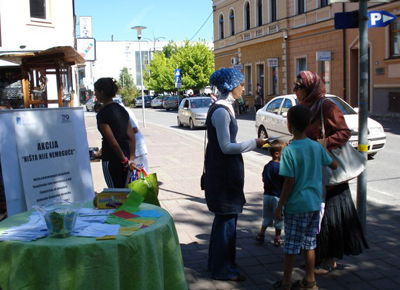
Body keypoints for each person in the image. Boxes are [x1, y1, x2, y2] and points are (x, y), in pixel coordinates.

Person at [294, 71, 369, 275]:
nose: (295, 90)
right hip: (311, 168)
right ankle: (314, 255)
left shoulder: (326, 105)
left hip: (329, 172)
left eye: (298, 86)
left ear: (309, 87)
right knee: (313, 214)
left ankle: (330, 258)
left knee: (331, 216)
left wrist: (325, 142)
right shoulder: (302, 107)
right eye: (295, 85)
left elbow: (344, 132)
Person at [204, 68, 267, 282]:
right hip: (223, 175)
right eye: (240, 84)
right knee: (226, 220)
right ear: (230, 86)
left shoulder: (225, 108)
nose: (243, 87)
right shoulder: (221, 110)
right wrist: (254, 144)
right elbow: (226, 147)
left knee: (225, 219)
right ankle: (224, 269)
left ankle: (219, 263)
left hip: (224, 172)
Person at [271, 105, 337, 290]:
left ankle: (285, 283)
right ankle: (310, 281)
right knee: (310, 244)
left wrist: (279, 205)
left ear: (289, 124)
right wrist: (323, 148)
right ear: (309, 124)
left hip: (296, 205)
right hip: (315, 204)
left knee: (291, 246)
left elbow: (289, 182)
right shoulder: (316, 147)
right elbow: (334, 165)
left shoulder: (289, 151)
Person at [95, 78, 139, 188]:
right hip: (127, 156)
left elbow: (112, 141)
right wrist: (131, 159)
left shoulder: (103, 114)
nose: (95, 94)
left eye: (95, 91)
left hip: (112, 158)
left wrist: (123, 160)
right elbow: (131, 136)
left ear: (102, 92)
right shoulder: (122, 110)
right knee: (125, 192)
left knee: (115, 193)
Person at [255, 139, 286, 247]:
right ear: (277, 154)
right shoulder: (282, 167)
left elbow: (264, 179)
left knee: (267, 217)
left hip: (267, 196)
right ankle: (277, 238)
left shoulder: (267, 166)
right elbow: (285, 183)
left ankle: (261, 234)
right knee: (279, 218)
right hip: (277, 197)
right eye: (284, 152)